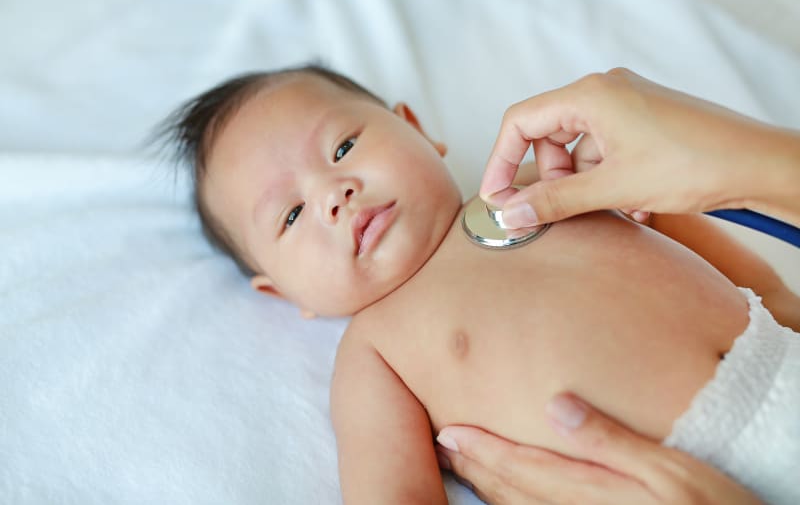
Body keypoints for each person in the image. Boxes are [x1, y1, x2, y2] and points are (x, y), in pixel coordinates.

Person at [157, 64, 800, 504]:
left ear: (415, 128)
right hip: (659, 476)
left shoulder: (545, 185)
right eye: (292, 214)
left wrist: (780, 303)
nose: (334, 194)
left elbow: (699, 235)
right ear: (281, 291)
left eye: (344, 147)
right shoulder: (374, 353)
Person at [438, 67, 800, 504]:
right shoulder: (376, 343)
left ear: (412, 125)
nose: (356, 193)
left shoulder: (543, 180)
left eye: (359, 138)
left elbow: (768, 294)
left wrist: (749, 166)